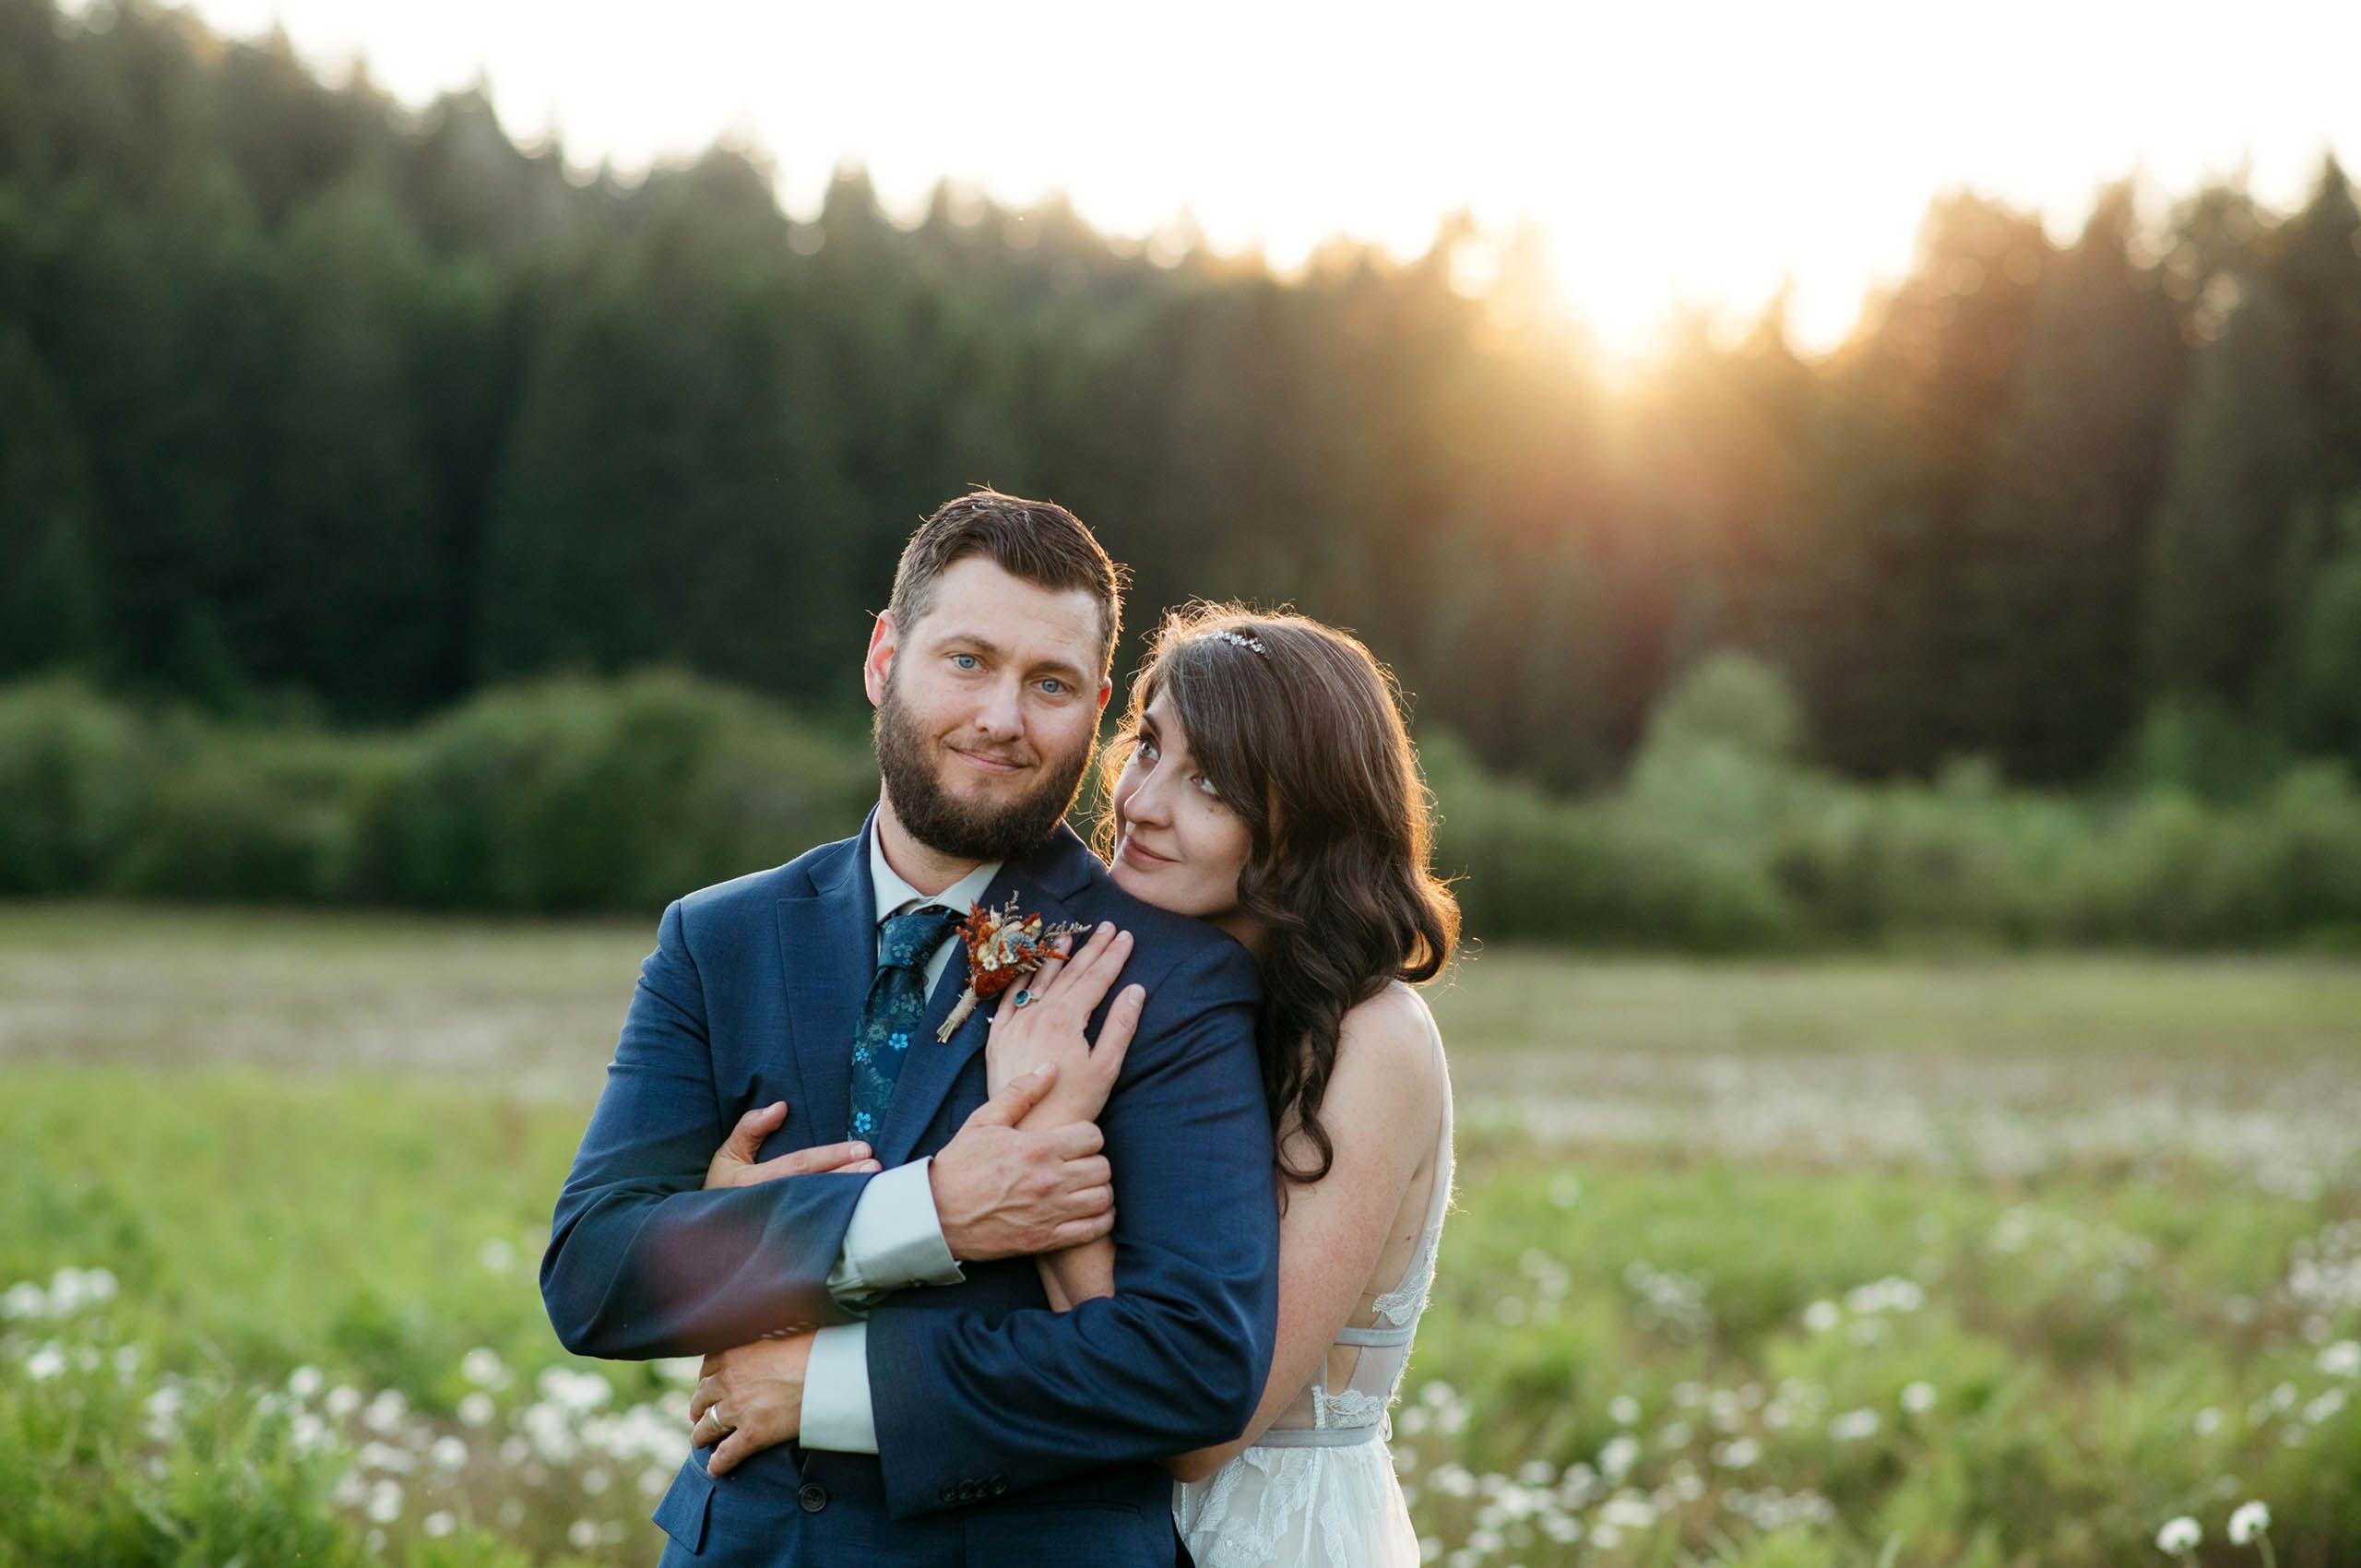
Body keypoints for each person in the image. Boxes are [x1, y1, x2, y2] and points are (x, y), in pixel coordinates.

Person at [540, 490, 1282, 1568]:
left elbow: (1193, 1366)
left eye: (1050, 684)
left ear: (1095, 709)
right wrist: (929, 1212)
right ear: (884, 656)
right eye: (967, 661)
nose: (1002, 718)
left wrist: (801, 1341)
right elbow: (593, 1276)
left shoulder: (1168, 976)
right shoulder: (717, 937)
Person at [704, 603, 1462, 1567]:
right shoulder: (1104, 975)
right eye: (1148, 747)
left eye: (1210, 783)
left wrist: (1051, 1136)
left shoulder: (1374, 1038)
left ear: (1306, 822)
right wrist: (751, 1219)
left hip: (1263, 1535)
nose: (1141, 802)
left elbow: (1204, 1425)